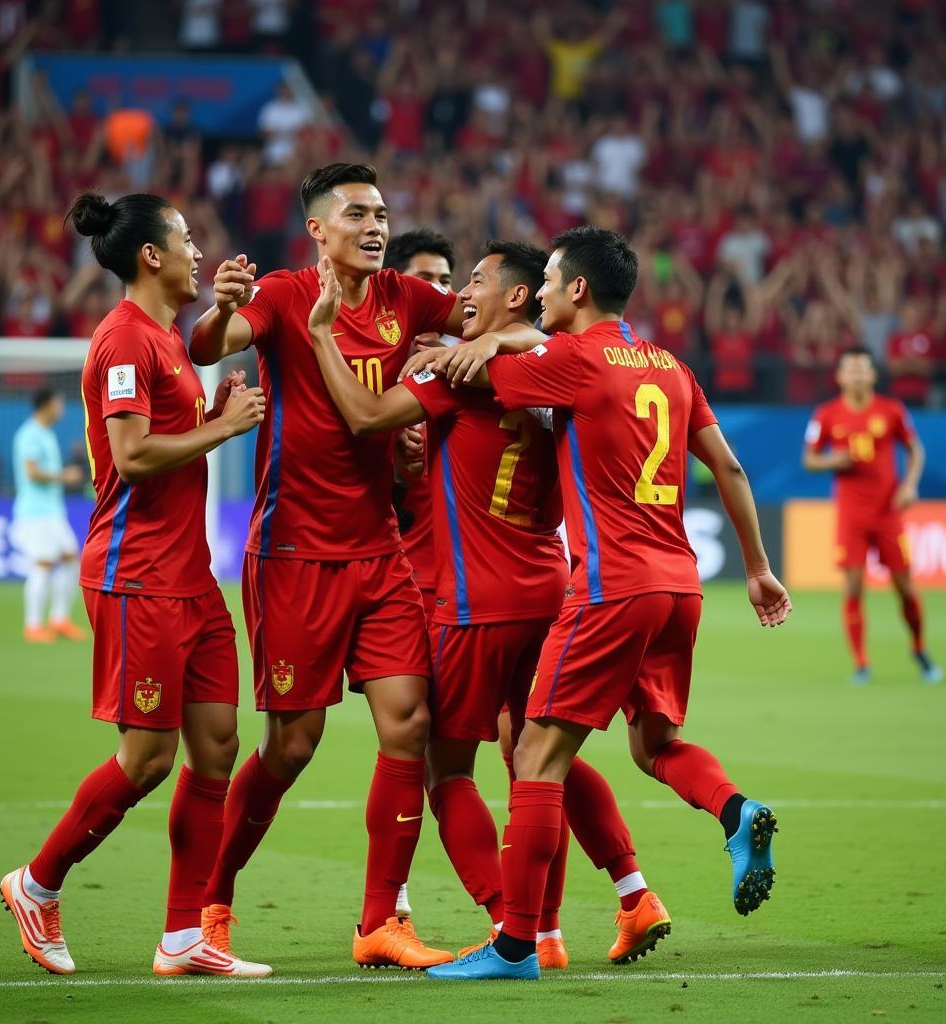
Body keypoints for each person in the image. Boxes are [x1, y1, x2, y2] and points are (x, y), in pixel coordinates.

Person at [419, 226, 791, 982]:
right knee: (654, 748)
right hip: (681, 585)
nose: (544, 292)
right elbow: (728, 462)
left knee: (534, 756)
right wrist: (758, 568)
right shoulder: (672, 367)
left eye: (550, 280)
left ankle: (518, 945)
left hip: (608, 587)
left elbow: (473, 373)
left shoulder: (573, 361)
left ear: (578, 289)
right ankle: (733, 810)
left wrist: (482, 347)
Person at [309, 242, 673, 967]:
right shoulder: (551, 371)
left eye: (469, 281)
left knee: (447, 770)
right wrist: (485, 340)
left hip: (477, 601)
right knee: (541, 756)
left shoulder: (464, 374)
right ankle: (613, 901)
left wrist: (323, 333)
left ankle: (516, 927)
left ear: (514, 297)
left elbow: (362, 415)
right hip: (551, 589)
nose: (455, 292)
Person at [190, 163, 502, 970]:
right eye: (357, 213)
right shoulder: (289, 295)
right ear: (318, 232)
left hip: (379, 551)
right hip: (294, 552)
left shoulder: (410, 299)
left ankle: (377, 924)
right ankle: (211, 901)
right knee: (293, 746)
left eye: (382, 212)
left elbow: (497, 314)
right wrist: (221, 305)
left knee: (410, 723)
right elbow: (206, 345)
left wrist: (483, 337)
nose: (375, 224)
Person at [0, 190, 269, 978]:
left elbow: (167, 438)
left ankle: (183, 936)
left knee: (216, 749)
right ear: (151, 255)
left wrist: (209, 410)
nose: (196, 250)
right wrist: (222, 427)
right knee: (147, 759)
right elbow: (135, 457)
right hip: (136, 574)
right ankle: (37, 882)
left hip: (190, 577)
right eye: (185, 239)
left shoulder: (169, 340)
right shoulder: (124, 341)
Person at [803, 348, 943, 684]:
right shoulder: (826, 415)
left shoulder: (891, 411)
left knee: (905, 587)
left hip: (887, 513)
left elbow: (915, 450)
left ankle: (919, 647)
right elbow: (809, 459)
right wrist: (831, 461)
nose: (857, 375)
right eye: (850, 370)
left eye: (862, 369)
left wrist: (909, 485)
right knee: (853, 586)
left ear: (873, 375)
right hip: (851, 514)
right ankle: (862, 663)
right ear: (839, 377)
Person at [383, 228, 458, 627]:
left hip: (467, 585)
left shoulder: (470, 371)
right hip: (399, 583)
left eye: (446, 282)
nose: (438, 292)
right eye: (425, 280)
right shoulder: (367, 377)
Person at [11, 388, 86, 643]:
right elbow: (31, 472)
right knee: (43, 563)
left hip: (53, 512)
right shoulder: (29, 434)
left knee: (70, 558)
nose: (61, 407)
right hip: (35, 514)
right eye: (59, 402)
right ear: (46, 405)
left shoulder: (46, 434)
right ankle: (32, 625)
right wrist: (64, 476)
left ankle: (59, 619)